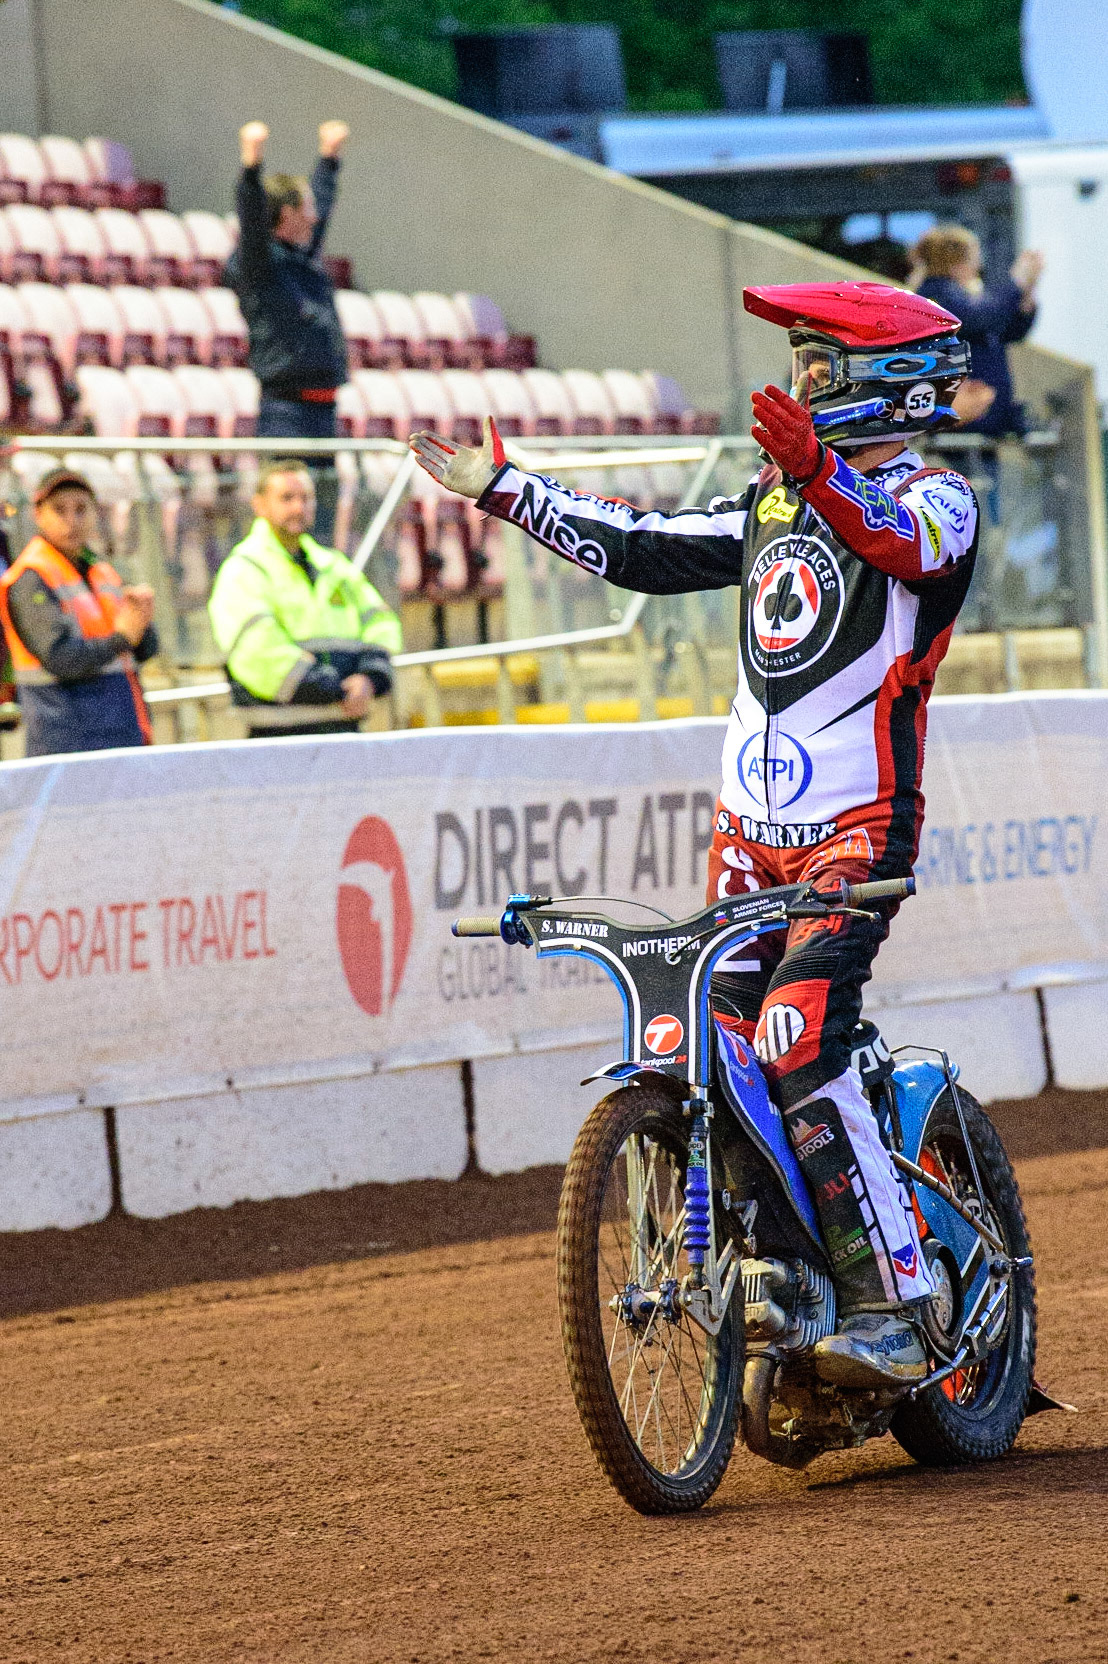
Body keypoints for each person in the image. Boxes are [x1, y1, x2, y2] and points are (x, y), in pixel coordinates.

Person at [412, 281, 980, 1391]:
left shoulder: (940, 496)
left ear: (882, 376)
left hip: (854, 834)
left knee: (794, 1036)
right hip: (747, 837)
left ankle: (896, 1303)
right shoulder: (774, 500)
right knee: (703, 1039)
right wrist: (508, 492)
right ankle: (772, 1268)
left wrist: (816, 474)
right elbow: (644, 546)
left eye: (819, 365)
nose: (802, 385)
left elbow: (902, 548)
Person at [208, 459, 401, 738]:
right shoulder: (244, 569)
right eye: (286, 498)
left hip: (345, 731)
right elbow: (258, 651)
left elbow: (381, 621)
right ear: (259, 505)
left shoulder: (334, 565)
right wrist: (335, 688)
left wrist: (370, 678)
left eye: (306, 498)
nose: (298, 507)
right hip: (279, 739)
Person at [226, 118, 351, 540]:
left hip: (324, 411)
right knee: (287, 524)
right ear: (285, 214)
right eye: (305, 209)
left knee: (321, 530)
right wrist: (250, 166)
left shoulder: (301, 259)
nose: (314, 219)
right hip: (287, 414)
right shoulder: (262, 265)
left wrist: (329, 159)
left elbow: (326, 209)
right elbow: (251, 219)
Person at [0, 467, 156, 756]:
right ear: (38, 515)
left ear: (95, 513)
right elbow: (61, 659)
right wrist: (122, 637)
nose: (71, 521)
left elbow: (142, 650)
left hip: (121, 734)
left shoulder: (103, 571)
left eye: (81, 509)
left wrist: (142, 621)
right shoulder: (30, 577)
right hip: (67, 743)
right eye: (59, 510)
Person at [912, 225, 1043, 438]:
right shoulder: (936, 293)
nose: (978, 266)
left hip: (983, 418)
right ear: (955, 263)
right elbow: (980, 317)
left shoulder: (964, 294)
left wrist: (1026, 295)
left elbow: (1009, 331)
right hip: (959, 423)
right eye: (973, 259)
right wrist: (1017, 282)